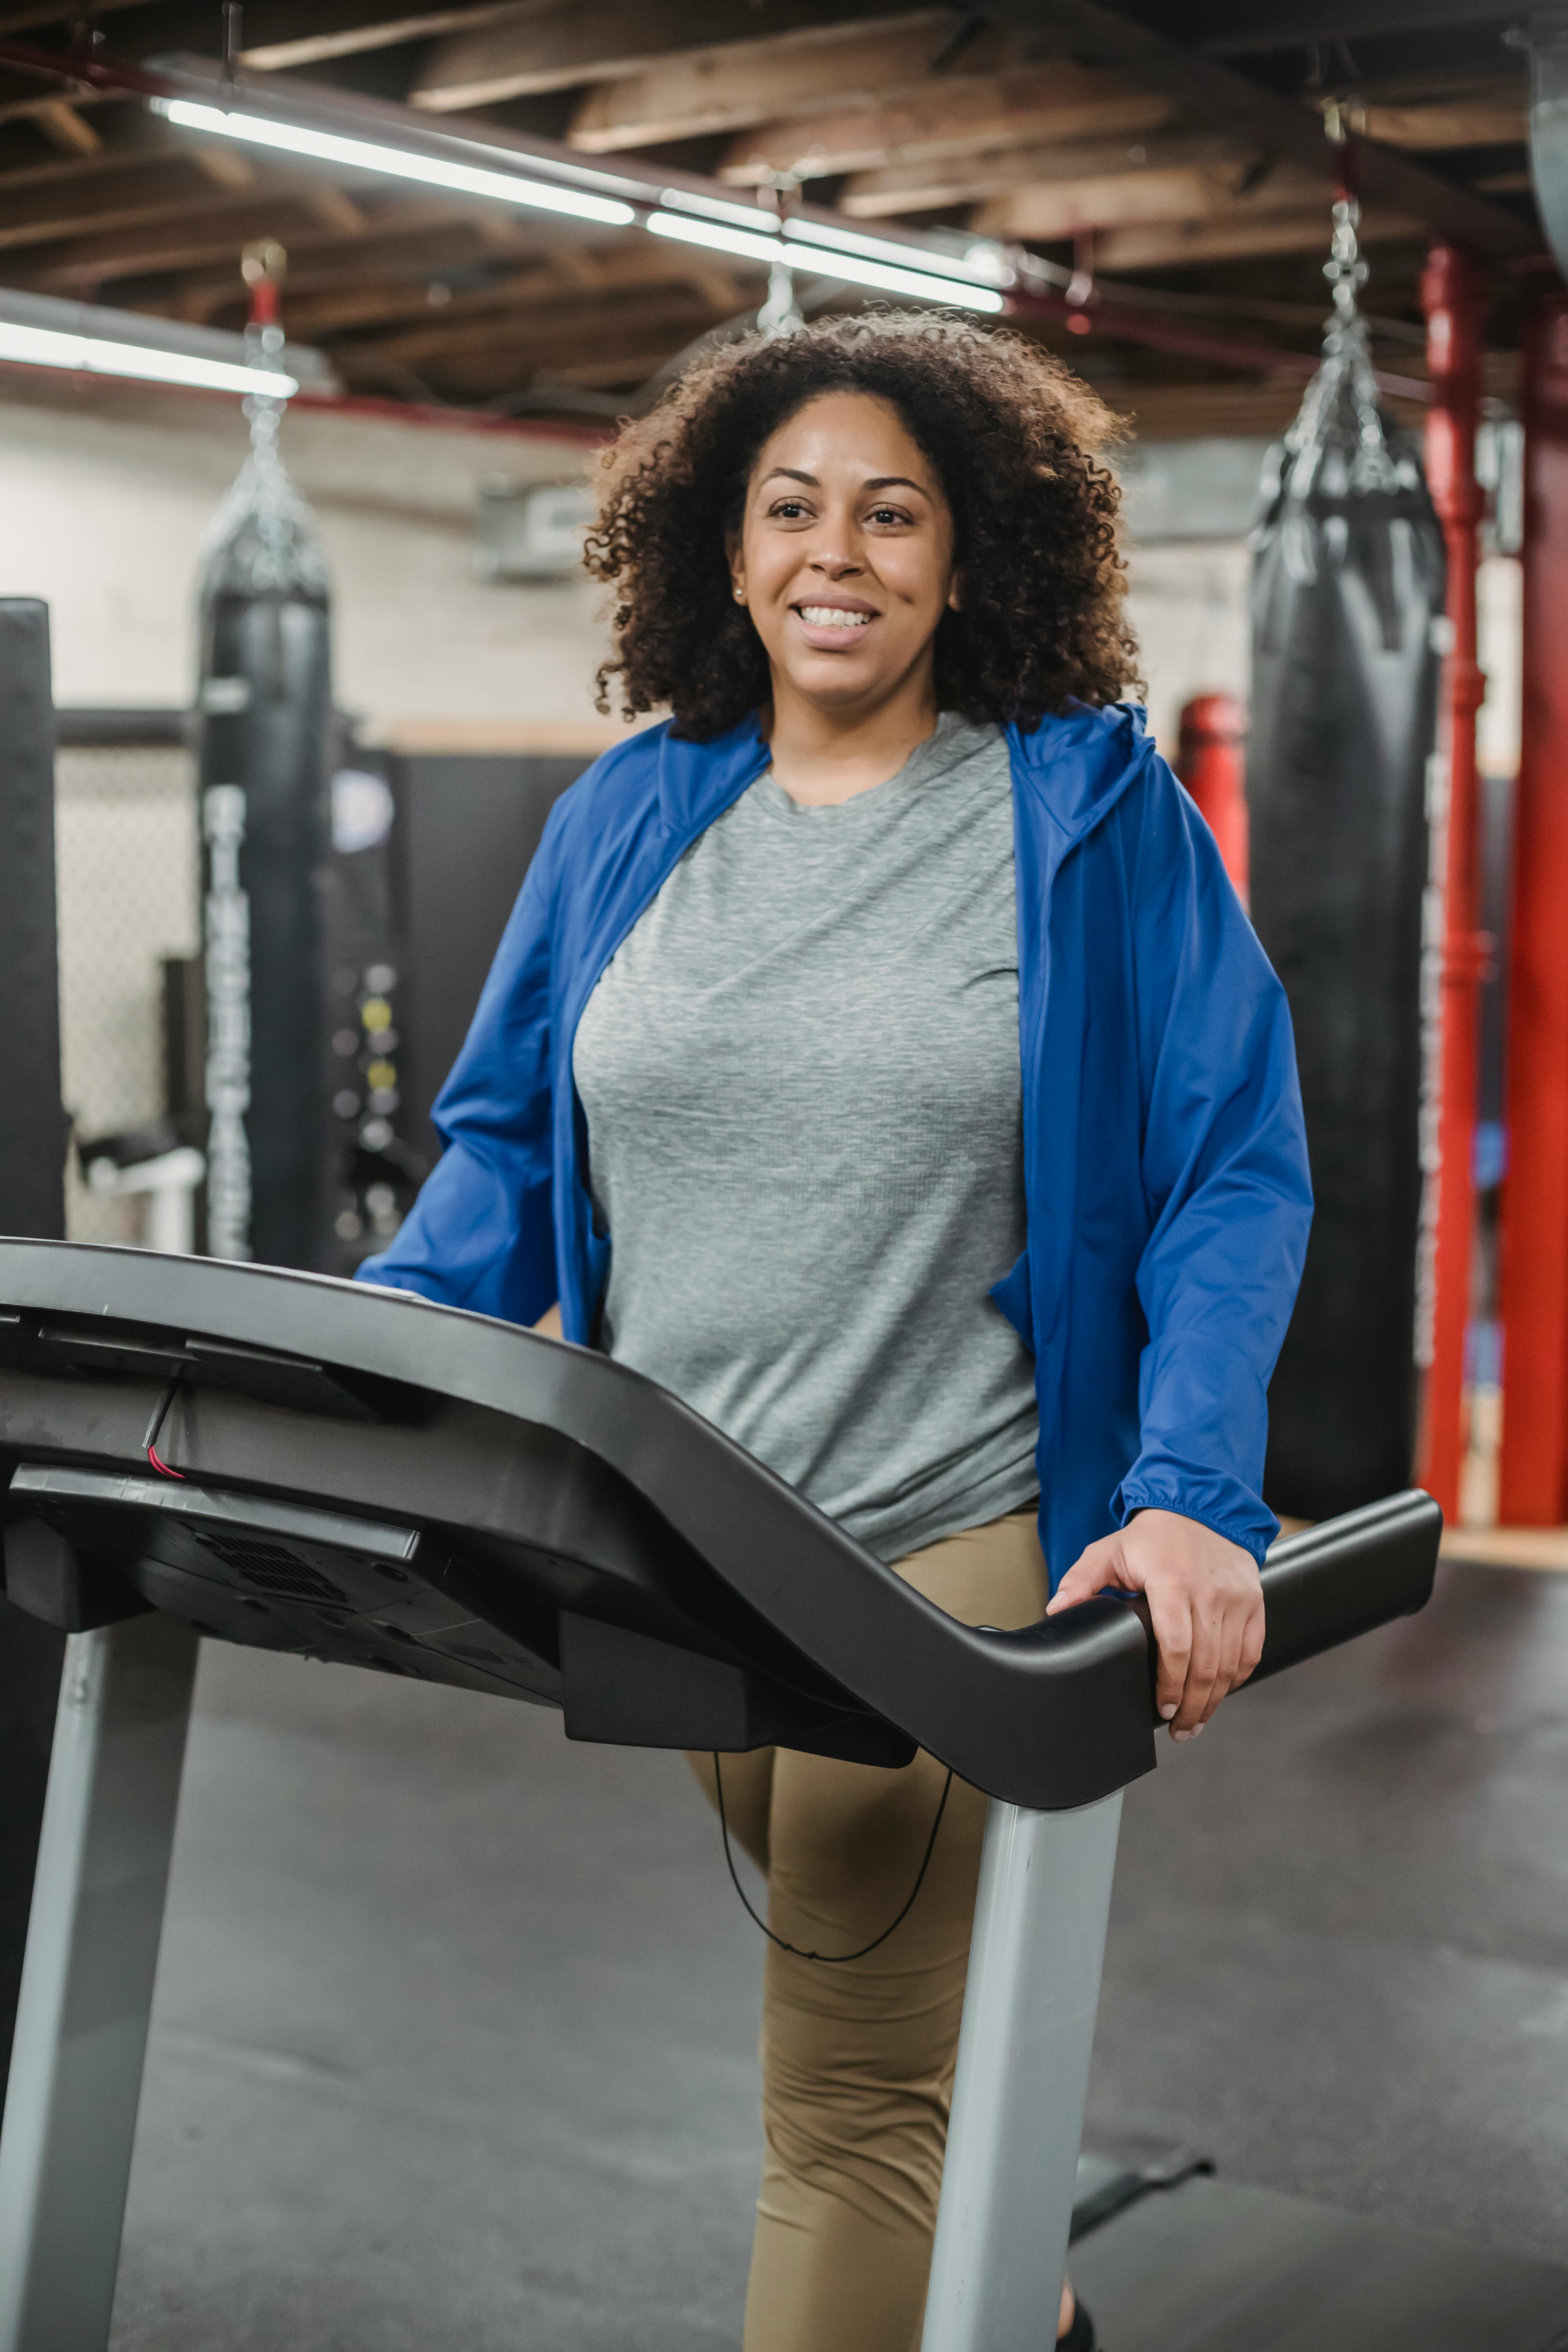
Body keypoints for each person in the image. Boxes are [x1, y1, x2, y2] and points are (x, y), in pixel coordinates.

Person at [359, 312, 1312, 2352]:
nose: (839, 553)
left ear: (969, 560)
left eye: (895, 513)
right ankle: (1021, 2321)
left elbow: (1235, 1160)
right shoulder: (629, 813)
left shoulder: (1086, 816)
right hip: (680, 1541)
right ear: (724, 545)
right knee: (912, 2047)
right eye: (792, 506)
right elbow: (511, 1146)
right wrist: (362, 1371)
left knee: (853, 2100)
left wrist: (1191, 1490)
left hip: (952, 1548)